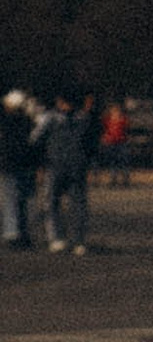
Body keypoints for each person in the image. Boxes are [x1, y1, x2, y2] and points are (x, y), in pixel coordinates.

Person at [37, 95, 98, 255]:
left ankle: (60, 239)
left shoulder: (51, 119)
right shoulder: (83, 119)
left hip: (59, 166)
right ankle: (75, 240)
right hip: (72, 166)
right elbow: (92, 144)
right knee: (73, 204)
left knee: (56, 203)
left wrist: (40, 164)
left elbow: (37, 140)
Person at [0, 90, 35, 247]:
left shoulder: (7, 122)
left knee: (11, 199)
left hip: (10, 164)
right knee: (23, 199)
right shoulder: (27, 121)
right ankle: (23, 231)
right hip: (26, 163)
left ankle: (12, 232)